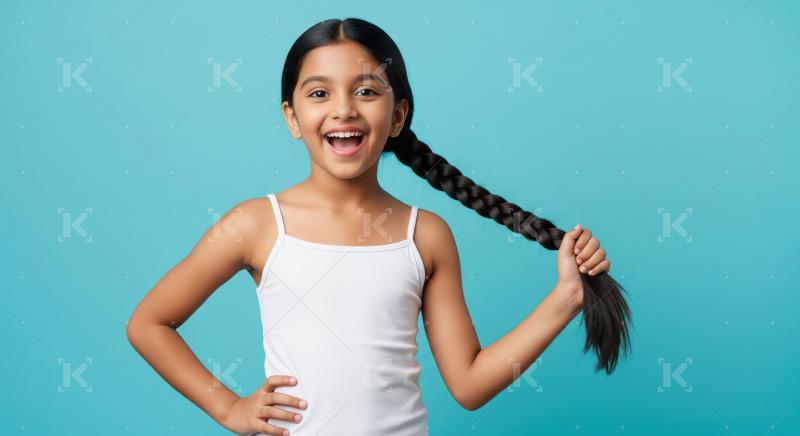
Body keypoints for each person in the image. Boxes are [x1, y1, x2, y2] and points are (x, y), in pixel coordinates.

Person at [127, 17, 631, 436]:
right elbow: (149, 324)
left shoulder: (425, 235)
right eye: (319, 93)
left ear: (397, 116)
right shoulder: (256, 224)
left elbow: (470, 384)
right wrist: (229, 408)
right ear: (292, 117)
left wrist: (565, 298)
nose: (343, 109)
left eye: (366, 91)